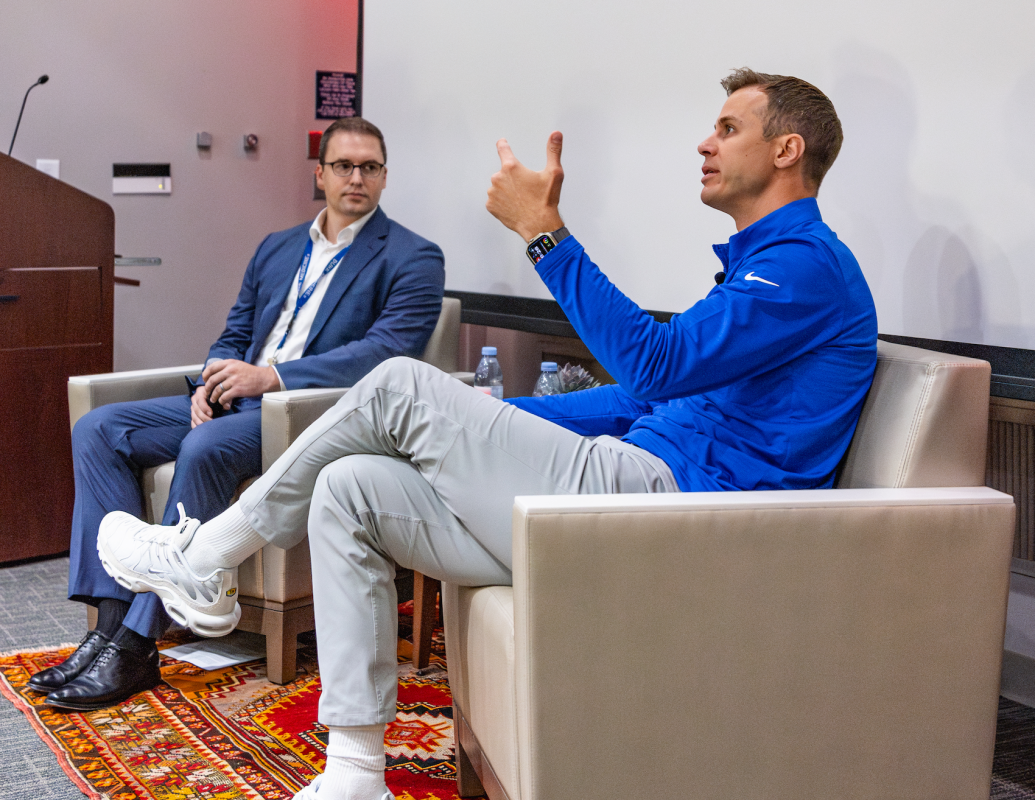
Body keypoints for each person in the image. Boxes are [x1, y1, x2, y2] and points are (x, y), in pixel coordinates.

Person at [93, 69, 876, 800]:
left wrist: (544, 233)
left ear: (785, 149)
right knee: (348, 487)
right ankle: (356, 765)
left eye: (727, 127)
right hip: (625, 484)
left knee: (399, 383)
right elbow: (638, 392)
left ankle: (202, 558)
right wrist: (492, 422)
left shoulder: (806, 266)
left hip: (671, 510)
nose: (704, 143)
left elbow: (656, 365)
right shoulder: (760, 267)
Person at [31, 117, 446, 712]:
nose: (357, 177)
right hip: (240, 398)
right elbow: (236, 331)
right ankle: (108, 624)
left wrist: (273, 377)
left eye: (370, 167)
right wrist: (210, 379)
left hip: (307, 413)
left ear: (384, 177)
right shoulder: (277, 247)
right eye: (344, 166)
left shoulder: (412, 257)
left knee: (207, 446)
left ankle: (138, 642)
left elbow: (385, 355)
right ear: (320, 174)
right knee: (101, 428)